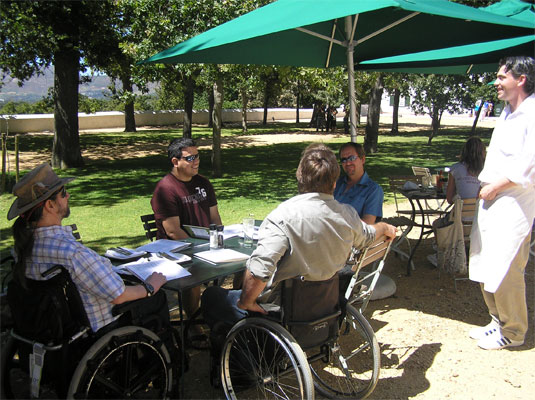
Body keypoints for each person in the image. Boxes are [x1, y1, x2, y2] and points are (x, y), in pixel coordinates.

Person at [201, 143, 397, 329]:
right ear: (335, 183)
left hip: (281, 310)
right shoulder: (347, 215)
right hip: (325, 306)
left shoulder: (284, 216)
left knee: (211, 296)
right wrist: (385, 228)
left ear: (300, 177)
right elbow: (369, 234)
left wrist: (246, 301)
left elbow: (260, 270)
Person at [7, 163, 168, 334]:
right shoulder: (72, 253)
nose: (67, 195)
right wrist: (150, 287)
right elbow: (119, 295)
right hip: (100, 326)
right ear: (50, 205)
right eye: (63, 192)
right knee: (157, 298)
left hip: (55, 327)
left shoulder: (22, 249)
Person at [469, 56, 535, 350]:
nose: (495, 82)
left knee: (508, 268)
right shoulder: (509, 112)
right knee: (486, 263)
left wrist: (495, 186)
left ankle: (514, 331)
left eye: (501, 77)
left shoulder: (532, 114)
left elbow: (529, 167)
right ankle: (497, 320)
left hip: (513, 204)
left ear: (520, 79)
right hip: (493, 199)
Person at [151, 137, 222, 348]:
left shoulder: (203, 183)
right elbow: (173, 231)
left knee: (243, 266)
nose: (196, 161)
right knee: (194, 278)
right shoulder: (165, 189)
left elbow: (215, 219)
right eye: (190, 158)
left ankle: (230, 314)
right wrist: (202, 251)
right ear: (175, 161)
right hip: (177, 251)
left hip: (206, 246)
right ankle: (194, 325)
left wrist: (218, 240)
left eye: (197, 156)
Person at [333, 142, 384, 224]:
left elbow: (367, 225)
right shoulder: (335, 184)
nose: (348, 163)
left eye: (351, 158)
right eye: (344, 160)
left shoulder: (374, 190)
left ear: (362, 159)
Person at [446, 137, 486, 205]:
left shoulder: (455, 169)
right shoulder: (487, 170)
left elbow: (450, 199)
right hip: (480, 212)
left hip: (461, 213)